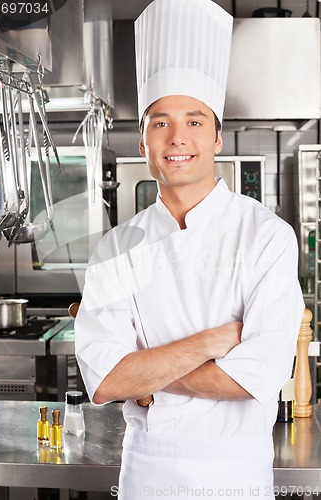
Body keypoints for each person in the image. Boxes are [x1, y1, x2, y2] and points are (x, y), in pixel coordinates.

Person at [75, 1, 305, 498]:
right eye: (160, 122)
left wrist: (145, 374)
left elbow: (258, 377)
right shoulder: (116, 247)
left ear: (218, 136)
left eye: (195, 121)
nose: (177, 137)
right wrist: (210, 342)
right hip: (146, 474)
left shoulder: (267, 236)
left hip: (236, 477)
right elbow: (107, 381)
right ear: (142, 141)